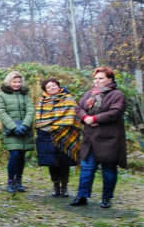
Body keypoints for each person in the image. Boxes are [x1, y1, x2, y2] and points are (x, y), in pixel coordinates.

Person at [71, 67, 127, 209]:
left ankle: (106, 198)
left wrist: (95, 118)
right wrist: (86, 118)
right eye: (95, 78)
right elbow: (78, 108)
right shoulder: (89, 94)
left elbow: (115, 112)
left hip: (109, 139)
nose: (97, 81)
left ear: (110, 79)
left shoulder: (117, 95)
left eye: (101, 78)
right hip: (90, 138)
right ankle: (82, 196)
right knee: (86, 168)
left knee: (108, 169)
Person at [35, 78, 81, 197]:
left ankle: (64, 188)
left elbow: (72, 116)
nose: (52, 88)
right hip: (46, 136)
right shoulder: (42, 102)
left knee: (64, 162)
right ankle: (56, 187)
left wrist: (57, 127)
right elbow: (39, 120)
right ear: (45, 90)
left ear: (58, 86)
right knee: (51, 163)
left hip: (65, 135)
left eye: (53, 85)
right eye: (48, 87)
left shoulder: (68, 99)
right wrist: (49, 126)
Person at [0, 71, 35, 193]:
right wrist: (13, 127)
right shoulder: (2, 95)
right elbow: (1, 112)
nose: (17, 84)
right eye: (15, 82)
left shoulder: (25, 95)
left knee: (22, 156)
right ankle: (10, 181)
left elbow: (30, 110)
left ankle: (19, 180)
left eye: (19, 82)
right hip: (11, 130)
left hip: (24, 129)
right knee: (15, 155)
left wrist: (24, 125)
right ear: (9, 82)